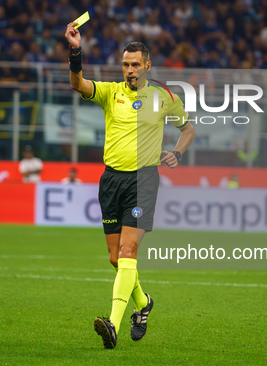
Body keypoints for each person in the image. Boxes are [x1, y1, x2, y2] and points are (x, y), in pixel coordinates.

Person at [65, 23, 195, 349]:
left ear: (147, 66)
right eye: (125, 64)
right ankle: (143, 303)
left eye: (136, 64)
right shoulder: (111, 92)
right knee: (115, 258)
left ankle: (113, 325)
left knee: (128, 251)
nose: (130, 69)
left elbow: (188, 128)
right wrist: (75, 51)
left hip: (144, 180)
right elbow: (78, 83)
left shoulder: (164, 96)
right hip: (111, 180)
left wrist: (177, 152)